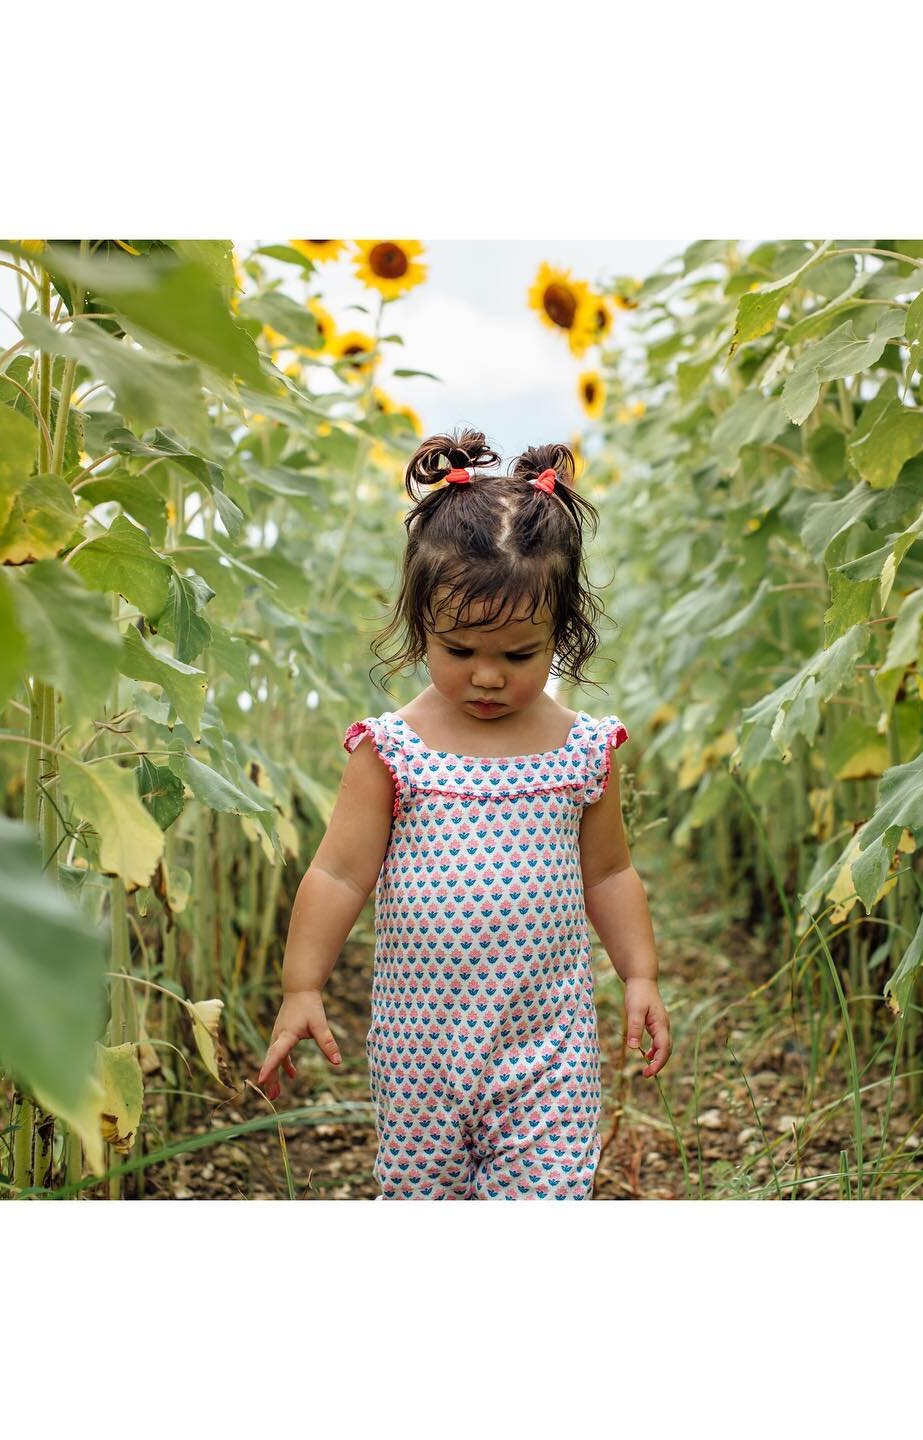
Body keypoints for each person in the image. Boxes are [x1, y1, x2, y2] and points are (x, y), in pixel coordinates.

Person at [255, 428, 671, 1200]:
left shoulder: (583, 750)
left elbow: (610, 874)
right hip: (421, 1046)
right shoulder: (391, 751)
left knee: (545, 1195)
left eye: (519, 656)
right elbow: (340, 873)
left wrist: (638, 973)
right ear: (421, 627)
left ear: (562, 636)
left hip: (546, 1043)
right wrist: (302, 985)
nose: (487, 676)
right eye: (459, 650)